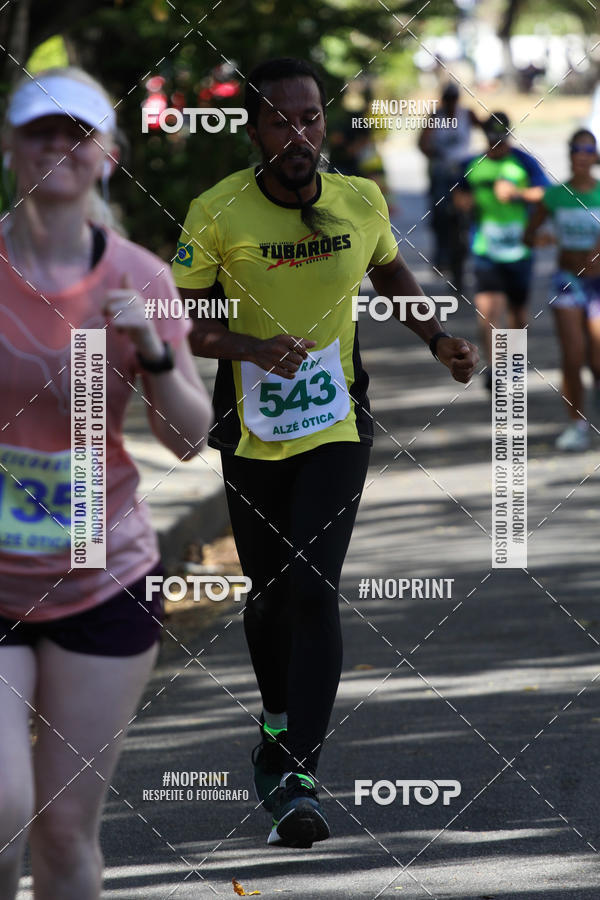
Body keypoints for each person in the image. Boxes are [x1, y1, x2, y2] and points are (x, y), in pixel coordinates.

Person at [172, 56, 478, 849]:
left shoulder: (359, 199)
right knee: (269, 597)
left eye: (309, 118)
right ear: (254, 131)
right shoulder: (217, 212)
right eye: (280, 121)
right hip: (250, 430)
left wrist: (438, 337)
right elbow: (184, 324)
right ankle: (275, 727)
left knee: (312, 587)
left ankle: (298, 773)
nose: (299, 134)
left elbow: (391, 273)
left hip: (338, 423)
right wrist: (249, 347)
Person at [0, 67, 212, 899]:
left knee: (63, 830)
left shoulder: (140, 277)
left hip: (102, 575)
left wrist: (152, 352)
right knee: (2, 809)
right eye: (40, 131)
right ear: (11, 147)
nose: (58, 145)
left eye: (77, 133)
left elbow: (189, 439)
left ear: (108, 155)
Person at [454, 112, 549, 389]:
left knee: (518, 313)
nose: (497, 145)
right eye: (491, 139)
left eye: (501, 139)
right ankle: (495, 368)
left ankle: (514, 365)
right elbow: (459, 195)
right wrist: (465, 203)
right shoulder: (472, 164)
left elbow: (546, 194)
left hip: (519, 250)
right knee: (488, 310)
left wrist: (517, 194)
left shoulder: (524, 161)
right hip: (486, 249)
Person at [524, 129, 600, 451]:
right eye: (575, 149)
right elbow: (528, 235)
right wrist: (542, 239)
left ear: (595, 156)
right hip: (567, 281)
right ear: (569, 154)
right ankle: (576, 424)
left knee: (597, 358)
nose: (581, 155)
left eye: (587, 149)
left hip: (598, 285)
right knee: (572, 355)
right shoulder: (555, 195)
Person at [418, 81, 480, 281]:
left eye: (454, 99)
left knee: (477, 204)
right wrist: (436, 154)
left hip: (464, 169)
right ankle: (442, 256)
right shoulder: (435, 117)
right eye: (448, 99)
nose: (451, 103)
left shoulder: (466, 114)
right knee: (440, 212)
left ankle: (475, 245)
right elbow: (422, 143)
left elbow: (484, 127)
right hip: (442, 170)